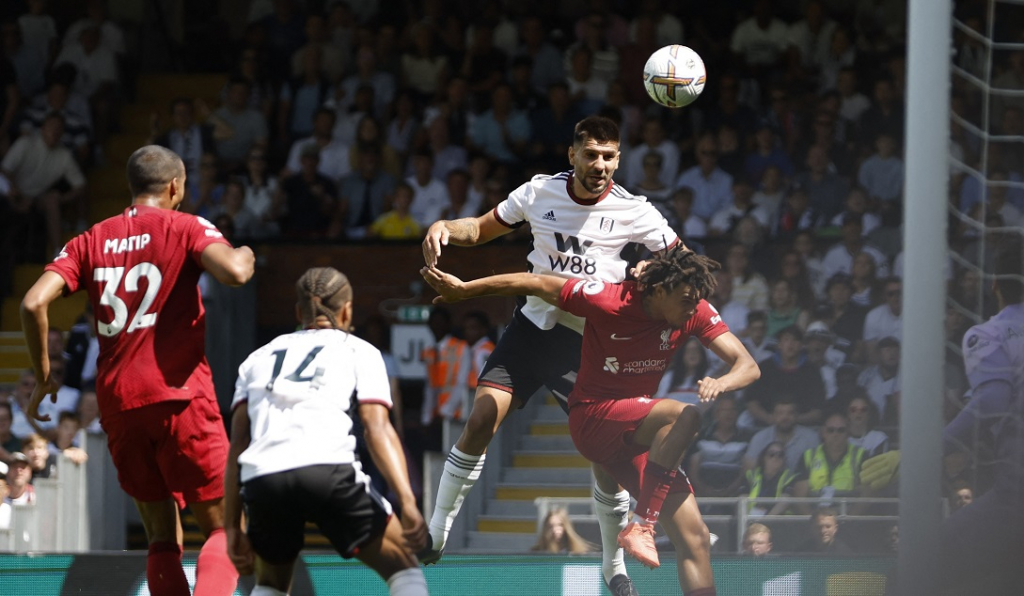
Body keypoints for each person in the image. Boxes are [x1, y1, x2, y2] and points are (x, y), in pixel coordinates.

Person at [419, 115, 683, 595]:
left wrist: (652, 266)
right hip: (532, 327)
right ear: (573, 155)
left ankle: (611, 565)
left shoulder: (635, 210)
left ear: (618, 160)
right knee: (481, 418)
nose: (599, 164)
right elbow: (479, 230)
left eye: (608, 156)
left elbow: (681, 260)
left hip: (590, 343)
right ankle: (436, 531)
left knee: (607, 457)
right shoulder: (539, 192)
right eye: (591, 154)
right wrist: (444, 227)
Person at [421, 247, 759, 595]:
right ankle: (642, 525)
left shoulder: (691, 311)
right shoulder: (609, 299)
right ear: (659, 291)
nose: (694, 308)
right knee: (685, 414)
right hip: (594, 418)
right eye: (687, 299)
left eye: (697, 300)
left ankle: (637, 529)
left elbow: (748, 364)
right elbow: (535, 281)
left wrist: (722, 381)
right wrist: (464, 290)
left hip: (636, 434)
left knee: (696, 538)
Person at [19, 145, 255, 596]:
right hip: (180, 396)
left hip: (121, 405)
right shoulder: (185, 225)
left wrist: (45, 373)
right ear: (175, 187)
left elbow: (33, 302)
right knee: (224, 528)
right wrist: (243, 250)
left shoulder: (91, 238)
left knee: (161, 537)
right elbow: (234, 273)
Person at [225, 267, 428, 596]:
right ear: (347, 310)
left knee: (270, 584)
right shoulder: (359, 350)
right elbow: (377, 428)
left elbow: (237, 445)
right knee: (404, 567)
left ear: (297, 312)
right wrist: (407, 500)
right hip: (327, 471)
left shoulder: (256, 358)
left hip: (264, 478)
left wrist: (231, 526)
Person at [862, 248, 1024, 594]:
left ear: (994, 285)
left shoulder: (991, 333)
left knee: (912, 574)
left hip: (1016, 497)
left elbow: (992, 402)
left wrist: (918, 453)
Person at [791, 411, 867, 514]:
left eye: (841, 430)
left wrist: (850, 519)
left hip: (847, 515)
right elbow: (799, 495)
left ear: (848, 433)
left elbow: (867, 493)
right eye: (831, 430)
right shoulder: (808, 456)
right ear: (823, 433)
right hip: (815, 516)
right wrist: (814, 522)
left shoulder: (861, 455)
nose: (835, 434)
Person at [741, 441, 798, 516]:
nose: (775, 458)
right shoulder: (751, 475)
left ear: (784, 459)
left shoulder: (789, 477)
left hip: (778, 520)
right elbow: (742, 499)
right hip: (750, 518)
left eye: (780, 455)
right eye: (771, 454)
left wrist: (766, 520)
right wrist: (746, 520)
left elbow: (785, 501)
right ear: (763, 457)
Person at [531, 507, 596, 554]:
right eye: (551, 526)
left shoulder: (578, 553)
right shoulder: (537, 553)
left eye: (560, 525)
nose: (555, 529)